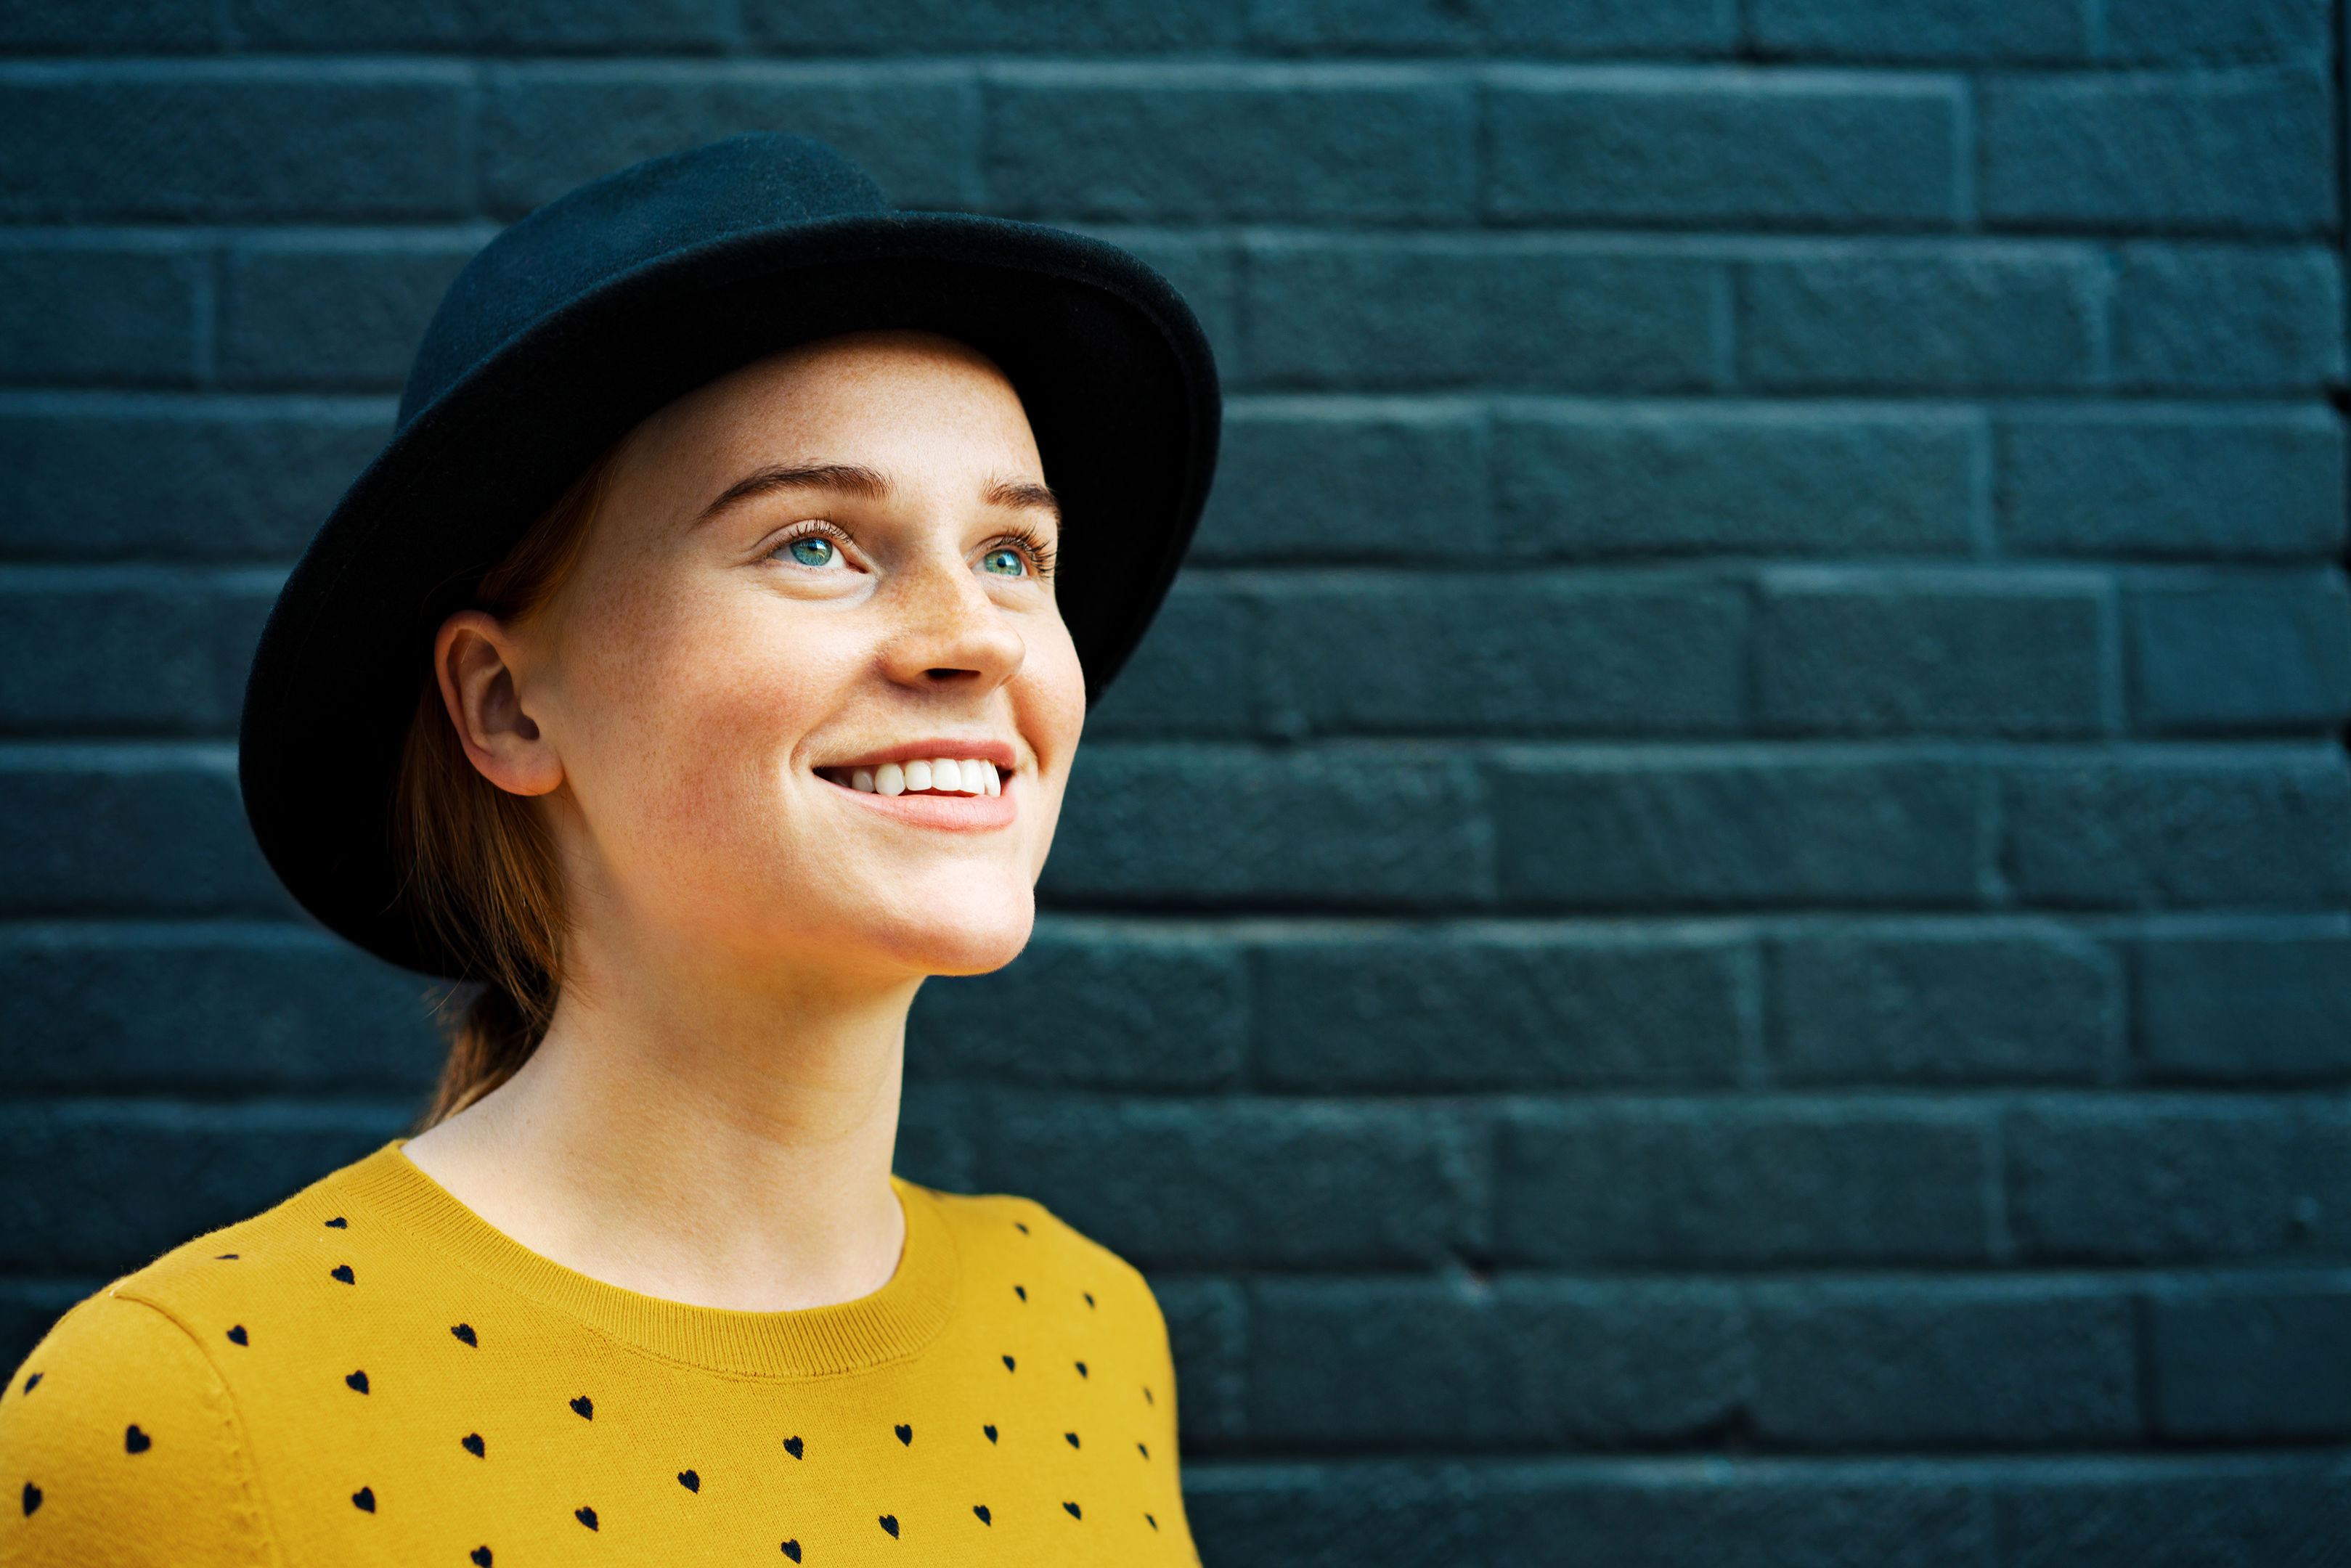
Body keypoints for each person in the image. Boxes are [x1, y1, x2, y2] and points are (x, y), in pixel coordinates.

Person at [0, 134, 1220, 1565]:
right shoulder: (180, 1414)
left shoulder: (1080, 1331)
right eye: (816, 542)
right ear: (508, 706)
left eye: (1014, 556)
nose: (973, 638)